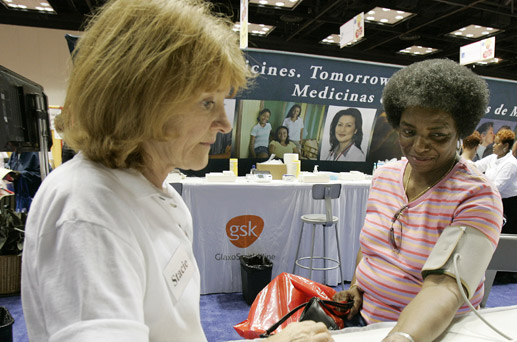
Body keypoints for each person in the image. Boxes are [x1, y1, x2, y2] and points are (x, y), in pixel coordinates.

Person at [20, 1, 332, 341]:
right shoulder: (88, 212)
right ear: (141, 101)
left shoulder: (158, 194)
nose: (224, 124)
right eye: (206, 102)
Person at [333, 59, 503, 342]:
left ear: (460, 132)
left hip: (428, 334)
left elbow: (445, 289)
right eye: (408, 132)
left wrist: (401, 337)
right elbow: (372, 247)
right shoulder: (385, 176)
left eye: (437, 135)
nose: (420, 146)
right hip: (364, 322)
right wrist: (356, 287)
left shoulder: (476, 196)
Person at [475, 128, 517, 283]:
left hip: (514, 204)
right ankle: (496, 271)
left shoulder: (511, 164)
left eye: (497, 143)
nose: (493, 145)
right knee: (498, 238)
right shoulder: (493, 158)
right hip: (501, 202)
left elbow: (496, 187)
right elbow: (476, 166)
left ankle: (510, 275)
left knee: (511, 240)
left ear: (505, 146)